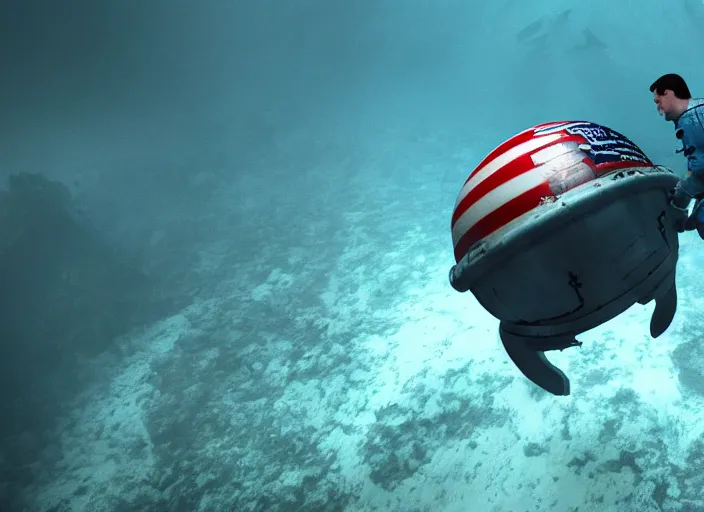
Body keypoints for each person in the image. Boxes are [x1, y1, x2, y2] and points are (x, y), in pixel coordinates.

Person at [650, 73, 704, 236]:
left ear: (668, 93)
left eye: (658, 101)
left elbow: (699, 171)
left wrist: (677, 206)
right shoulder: (697, 113)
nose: (658, 108)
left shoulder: (692, 118)